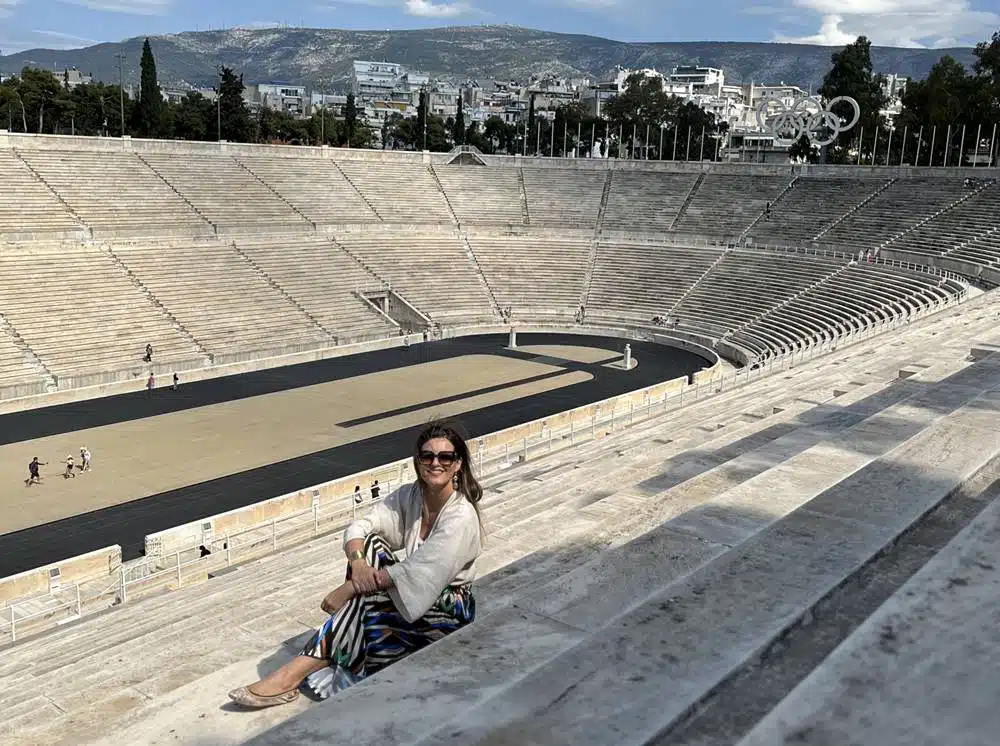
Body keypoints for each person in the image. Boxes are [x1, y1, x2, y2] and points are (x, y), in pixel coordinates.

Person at [228, 420, 483, 709]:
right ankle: (311, 664)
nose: (435, 463)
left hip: (447, 610)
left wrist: (350, 587)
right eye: (427, 456)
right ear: (418, 461)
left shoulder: (460, 516)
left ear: (458, 464)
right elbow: (360, 527)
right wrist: (358, 563)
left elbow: (421, 570)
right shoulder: (411, 496)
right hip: (412, 597)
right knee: (370, 546)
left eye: (445, 457)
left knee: (362, 602)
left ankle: (294, 672)